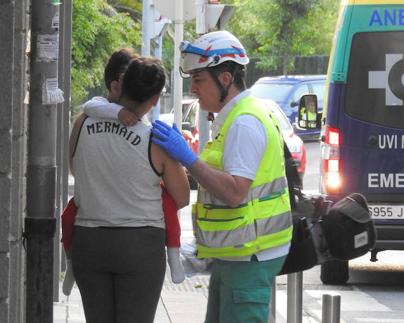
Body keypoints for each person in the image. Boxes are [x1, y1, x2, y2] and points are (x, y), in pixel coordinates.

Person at [151, 30, 293, 323]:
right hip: (237, 254)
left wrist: (187, 158)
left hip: (250, 256)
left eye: (199, 79)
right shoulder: (236, 117)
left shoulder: (244, 122)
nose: (193, 88)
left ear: (225, 79)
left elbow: (234, 192)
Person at [69, 57, 190, 323]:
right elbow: (182, 197)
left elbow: (76, 169)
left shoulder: (81, 124)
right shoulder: (156, 140)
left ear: (122, 84)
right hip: (140, 246)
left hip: (89, 241)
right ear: (156, 98)